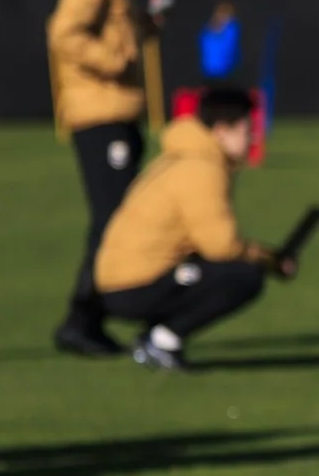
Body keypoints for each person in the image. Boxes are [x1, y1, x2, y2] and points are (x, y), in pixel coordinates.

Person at [94, 87, 294, 372]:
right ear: (221, 131)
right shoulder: (202, 168)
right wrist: (270, 259)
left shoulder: (182, 156)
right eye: (247, 129)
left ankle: (158, 335)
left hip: (122, 281)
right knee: (244, 275)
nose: (253, 138)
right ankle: (161, 341)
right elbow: (222, 247)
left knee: (225, 269)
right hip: (132, 286)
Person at [46, 0, 152, 357]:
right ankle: (83, 319)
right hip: (100, 113)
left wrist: (144, 26)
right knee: (114, 221)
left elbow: (111, 29)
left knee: (117, 218)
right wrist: (114, 60)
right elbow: (64, 33)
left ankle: (87, 318)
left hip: (112, 110)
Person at [199, 2, 242, 81]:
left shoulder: (232, 30)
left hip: (227, 75)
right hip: (208, 74)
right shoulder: (207, 31)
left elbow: (231, 51)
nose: (222, 17)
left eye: (226, 15)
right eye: (221, 14)